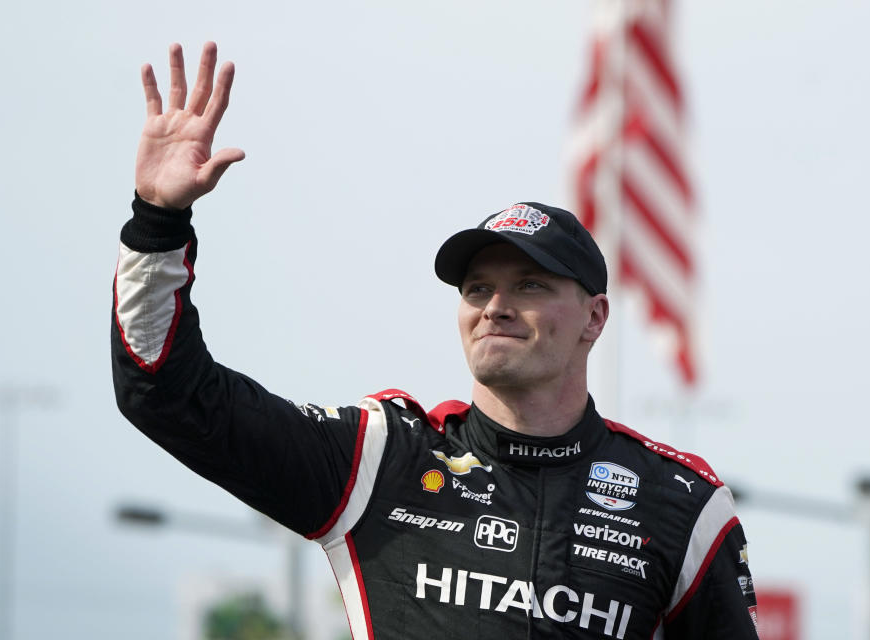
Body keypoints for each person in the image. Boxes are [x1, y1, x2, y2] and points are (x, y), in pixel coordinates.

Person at [112, 42, 759, 639]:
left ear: (595, 318)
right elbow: (167, 395)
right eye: (477, 289)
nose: (495, 307)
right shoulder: (382, 459)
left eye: (529, 287)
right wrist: (158, 222)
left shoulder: (681, 503)